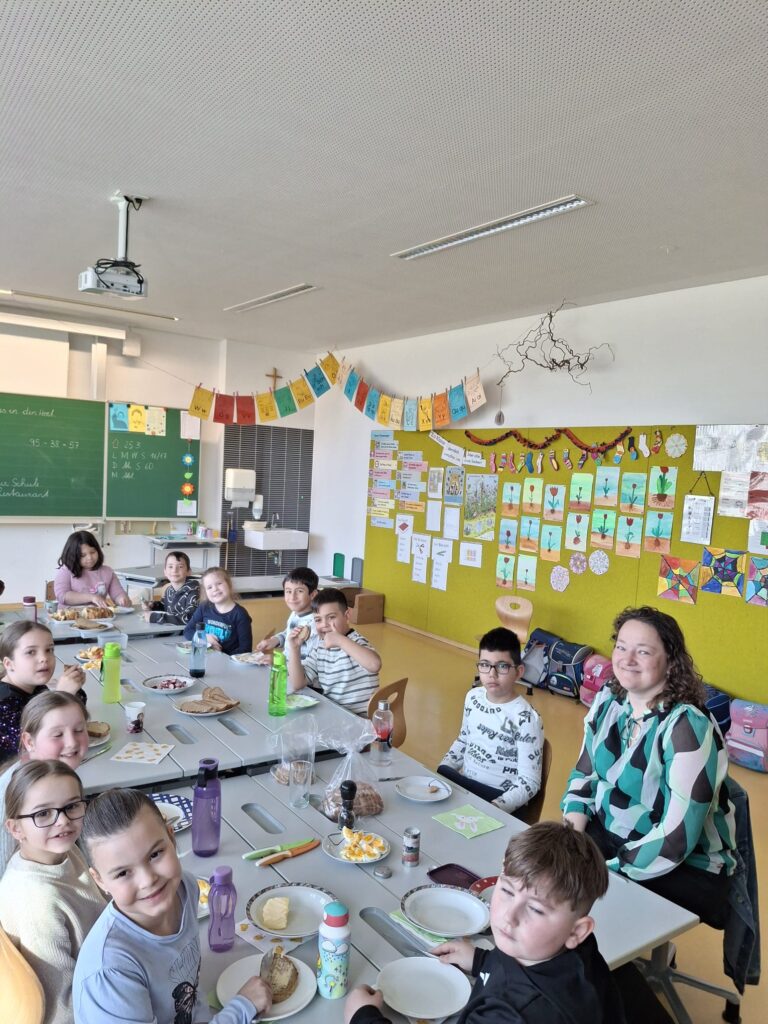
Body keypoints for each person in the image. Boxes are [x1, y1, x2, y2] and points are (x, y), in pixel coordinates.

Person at [345, 821, 626, 1024]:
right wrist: (482, 960)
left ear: (577, 931)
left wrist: (362, 1017)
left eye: (536, 910)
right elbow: (521, 966)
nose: (509, 916)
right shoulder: (566, 950)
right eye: (507, 891)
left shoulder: (514, 1014)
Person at [562, 605, 736, 929]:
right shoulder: (608, 699)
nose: (627, 659)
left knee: (583, 913)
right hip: (615, 834)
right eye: (621, 647)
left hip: (684, 864)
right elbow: (585, 776)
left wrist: (603, 871)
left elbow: (677, 839)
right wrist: (568, 840)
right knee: (551, 884)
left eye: (643, 651)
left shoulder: (686, 725)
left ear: (670, 662)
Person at [73, 788, 270, 1024]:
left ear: (171, 837)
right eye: (123, 873)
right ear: (99, 880)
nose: (148, 881)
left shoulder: (185, 887)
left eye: (155, 854)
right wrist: (242, 1007)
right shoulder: (110, 972)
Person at [0, 760, 105, 1024]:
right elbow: (64, 1010)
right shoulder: (38, 903)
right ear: (16, 829)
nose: (63, 821)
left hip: (105, 965)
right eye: (43, 813)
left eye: (71, 806)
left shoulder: (61, 851)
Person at [438, 627, 544, 815]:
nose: (491, 674)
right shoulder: (473, 697)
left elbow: (529, 782)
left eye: (502, 666)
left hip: (499, 797)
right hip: (466, 787)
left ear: (519, 671)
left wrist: (496, 807)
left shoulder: (527, 719)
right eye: (485, 665)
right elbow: (463, 740)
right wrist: (443, 770)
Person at [0, 690, 90, 875]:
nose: (72, 742)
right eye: (57, 734)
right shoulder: (13, 792)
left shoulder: (54, 775)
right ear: (29, 742)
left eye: (79, 730)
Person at [0, 623, 87, 764]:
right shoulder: (4, 703)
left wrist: (73, 691)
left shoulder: (36, 687)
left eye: (49, 650)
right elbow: (26, 748)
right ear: (9, 664)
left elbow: (75, 718)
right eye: (31, 652)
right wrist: (61, 695)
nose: (44, 658)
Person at [287, 588, 380, 714]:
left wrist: (340, 640)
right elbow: (297, 683)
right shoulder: (320, 648)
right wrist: (294, 649)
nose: (324, 624)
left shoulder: (356, 642)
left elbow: (375, 664)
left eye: (331, 617)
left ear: (347, 615)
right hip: (334, 714)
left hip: (359, 719)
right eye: (318, 620)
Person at [182, 567, 252, 655]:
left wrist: (221, 656)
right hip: (205, 657)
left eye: (219, 583)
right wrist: (203, 638)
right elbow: (188, 631)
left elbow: (245, 649)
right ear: (205, 592)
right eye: (209, 587)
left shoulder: (240, 614)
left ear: (229, 584)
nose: (215, 589)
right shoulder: (204, 607)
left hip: (227, 661)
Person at [54, 531, 131, 609]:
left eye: (92, 552)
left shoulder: (107, 572)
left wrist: (122, 599)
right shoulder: (66, 571)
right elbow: (62, 596)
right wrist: (92, 597)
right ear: (73, 556)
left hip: (97, 615)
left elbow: (118, 593)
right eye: (83, 555)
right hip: (70, 615)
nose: (90, 558)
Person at [255, 567, 319, 660]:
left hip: (296, 667)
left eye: (299, 591)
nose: (292, 597)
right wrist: (275, 640)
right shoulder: (295, 614)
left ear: (313, 595)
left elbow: (308, 660)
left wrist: (278, 661)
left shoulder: (315, 624)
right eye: (288, 591)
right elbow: (290, 634)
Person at [142, 551, 199, 625]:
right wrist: (153, 606)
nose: (174, 570)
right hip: (170, 628)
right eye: (170, 567)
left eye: (180, 567)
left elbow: (190, 618)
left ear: (189, 571)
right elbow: (164, 607)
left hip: (185, 631)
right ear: (165, 572)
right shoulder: (169, 589)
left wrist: (155, 617)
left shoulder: (194, 590)